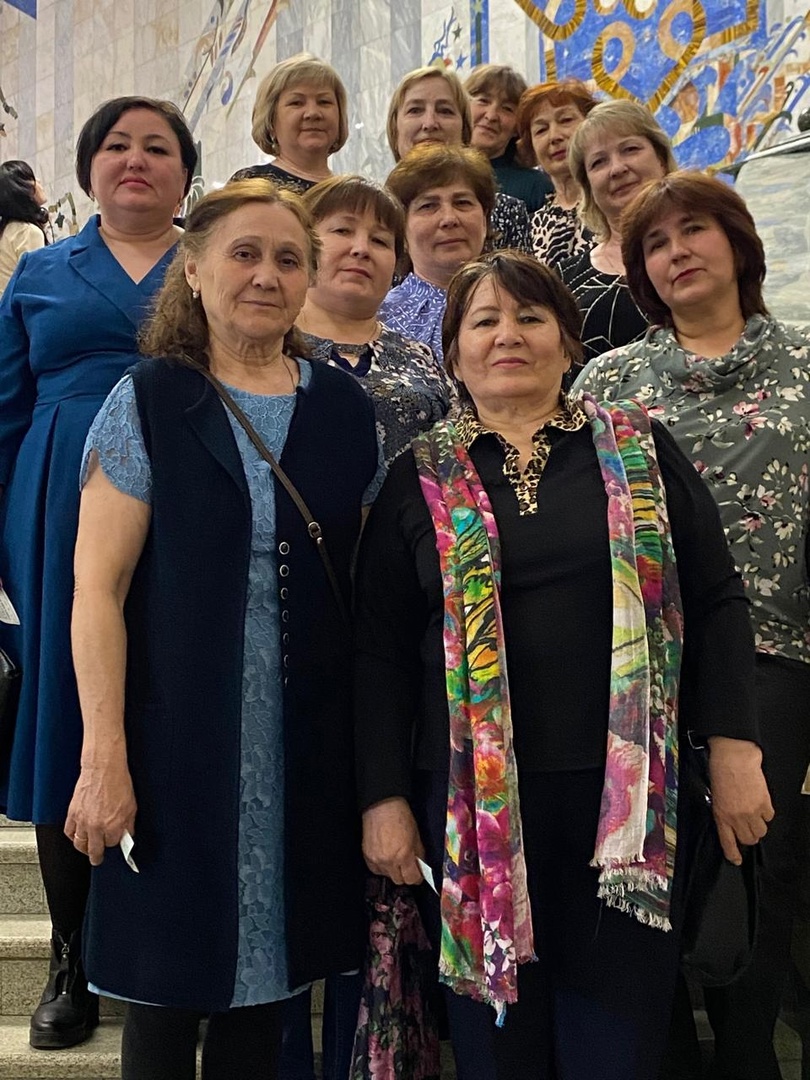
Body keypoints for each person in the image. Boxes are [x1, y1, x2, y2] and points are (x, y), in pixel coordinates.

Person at [353, 249, 773, 1080]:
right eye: (484, 321)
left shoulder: (640, 449)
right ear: (453, 353)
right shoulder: (416, 478)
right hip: (470, 812)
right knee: (497, 1052)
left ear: (568, 342)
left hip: (624, 815)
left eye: (530, 317)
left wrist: (735, 746)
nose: (508, 335)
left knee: (617, 1049)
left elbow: (718, 599)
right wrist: (383, 799)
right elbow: (377, 655)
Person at [65, 179, 382, 1080]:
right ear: (195, 271)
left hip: (304, 745)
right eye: (244, 254)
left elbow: (365, 586)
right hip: (172, 739)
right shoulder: (150, 400)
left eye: (288, 259)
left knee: (271, 994)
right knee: (165, 992)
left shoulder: (343, 408)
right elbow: (97, 589)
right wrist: (103, 754)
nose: (266, 275)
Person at [574, 171, 810, 1080]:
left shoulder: (803, 366)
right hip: (638, 661)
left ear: (738, 242)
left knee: (758, 863)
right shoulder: (609, 381)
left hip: (775, 653)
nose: (678, 252)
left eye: (694, 230)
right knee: (641, 877)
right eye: (656, 244)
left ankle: (748, 1059)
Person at [0, 96, 196, 1051]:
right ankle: (70, 956)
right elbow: (4, 411)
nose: (136, 160)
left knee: (176, 705)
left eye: (158, 147)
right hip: (57, 504)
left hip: (188, 489)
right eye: (116, 145)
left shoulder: (210, 261)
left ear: (186, 173)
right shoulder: (39, 271)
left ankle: (172, 941)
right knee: (66, 715)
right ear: (87, 169)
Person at [296, 174, 454, 465]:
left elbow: (456, 460)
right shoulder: (268, 346)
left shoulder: (420, 356)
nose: (361, 249)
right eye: (343, 230)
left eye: (379, 240)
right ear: (301, 245)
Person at [558, 100, 677, 363]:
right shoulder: (563, 280)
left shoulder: (705, 247)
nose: (617, 169)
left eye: (630, 149)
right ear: (587, 186)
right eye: (599, 162)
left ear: (661, 159)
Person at [386, 65, 531, 253]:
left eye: (445, 111)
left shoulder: (508, 212)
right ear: (395, 127)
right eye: (415, 110)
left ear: (464, 128)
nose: (430, 123)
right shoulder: (375, 211)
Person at [379, 143, 494, 362]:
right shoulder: (380, 318)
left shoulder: (520, 305)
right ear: (401, 228)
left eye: (462, 202)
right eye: (428, 206)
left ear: (485, 219)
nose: (449, 219)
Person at [231, 53, 348, 193]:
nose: (313, 113)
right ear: (270, 120)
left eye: (324, 102)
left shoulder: (355, 195)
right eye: (296, 103)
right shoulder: (249, 185)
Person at [515, 79, 598, 266]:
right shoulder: (528, 229)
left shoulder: (613, 206)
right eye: (541, 130)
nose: (554, 136)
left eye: (565, 120)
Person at [464, 64, 552, 215]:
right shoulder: (436, 174)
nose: (491, 116)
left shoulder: (536, 187)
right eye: (483, 101)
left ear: (518, 128)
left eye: (507, 108)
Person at [0, 159, 48, 295]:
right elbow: (36, 287)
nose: (38, 181)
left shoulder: (5, 231)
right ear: (23, 189)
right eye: (32, 178)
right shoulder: (28, 232)